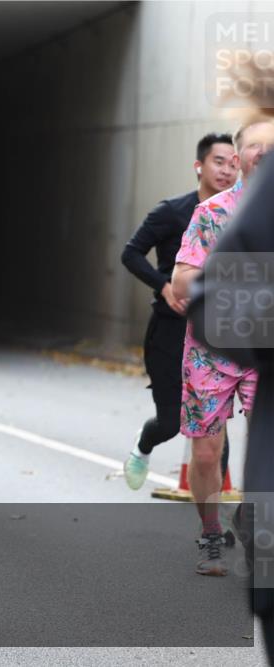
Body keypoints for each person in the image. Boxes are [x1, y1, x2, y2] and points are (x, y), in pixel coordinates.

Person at [171, 118, 274, 575]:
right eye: (256, 146)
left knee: (265, 445)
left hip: (265, 352)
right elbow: (182, 281)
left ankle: (257, 527)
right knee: (208, 452)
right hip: (211, 349)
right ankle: (211, 533)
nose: (265, 153)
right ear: (238, 157)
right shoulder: (212, 213)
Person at [120, 133, 238, 489]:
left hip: (215, 334)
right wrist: (165, 285)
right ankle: (144, 443)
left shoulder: (239, 215)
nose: (226, 170)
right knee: (171, 422)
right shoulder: (173, 211)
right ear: (199, 166)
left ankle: (215, 521)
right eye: (218, 161)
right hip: (170, 332)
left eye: (233, 163)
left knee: (214, 427)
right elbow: (131, 253)